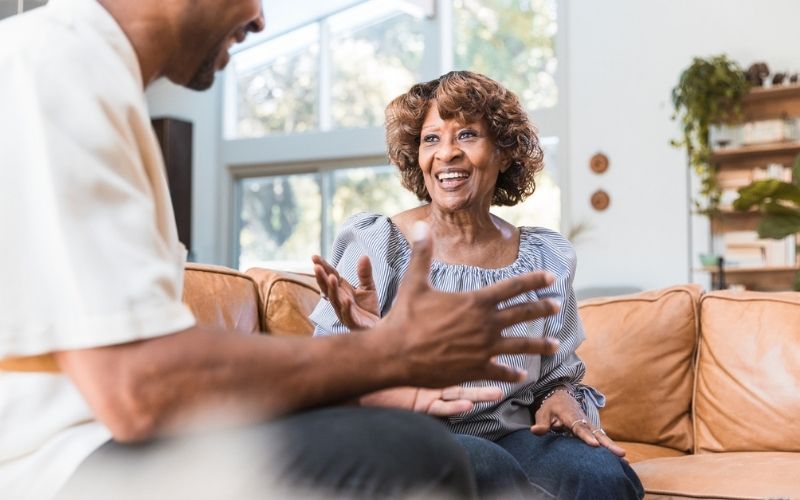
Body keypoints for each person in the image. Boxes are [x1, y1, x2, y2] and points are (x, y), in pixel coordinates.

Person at [0, 2, 565, 499]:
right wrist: (389, 355)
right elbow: (138, 388)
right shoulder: (57, 65)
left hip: (114, 440)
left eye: (468, 136)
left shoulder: (95, 78)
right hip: (62, 465)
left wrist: (383, 371)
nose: (261, 19)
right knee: (419, 454)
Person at [310, 71, 645, 499]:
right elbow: (323, 379)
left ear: (505, 153)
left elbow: (554, 375)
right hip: (405, 436)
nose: (446, 153)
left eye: (466, 134)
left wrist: (560, 399)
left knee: (601, 474)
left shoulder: (545, 255)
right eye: (431, 139)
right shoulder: (379, 242)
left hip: (512, 436)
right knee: (483, 466)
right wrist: (367, 343)